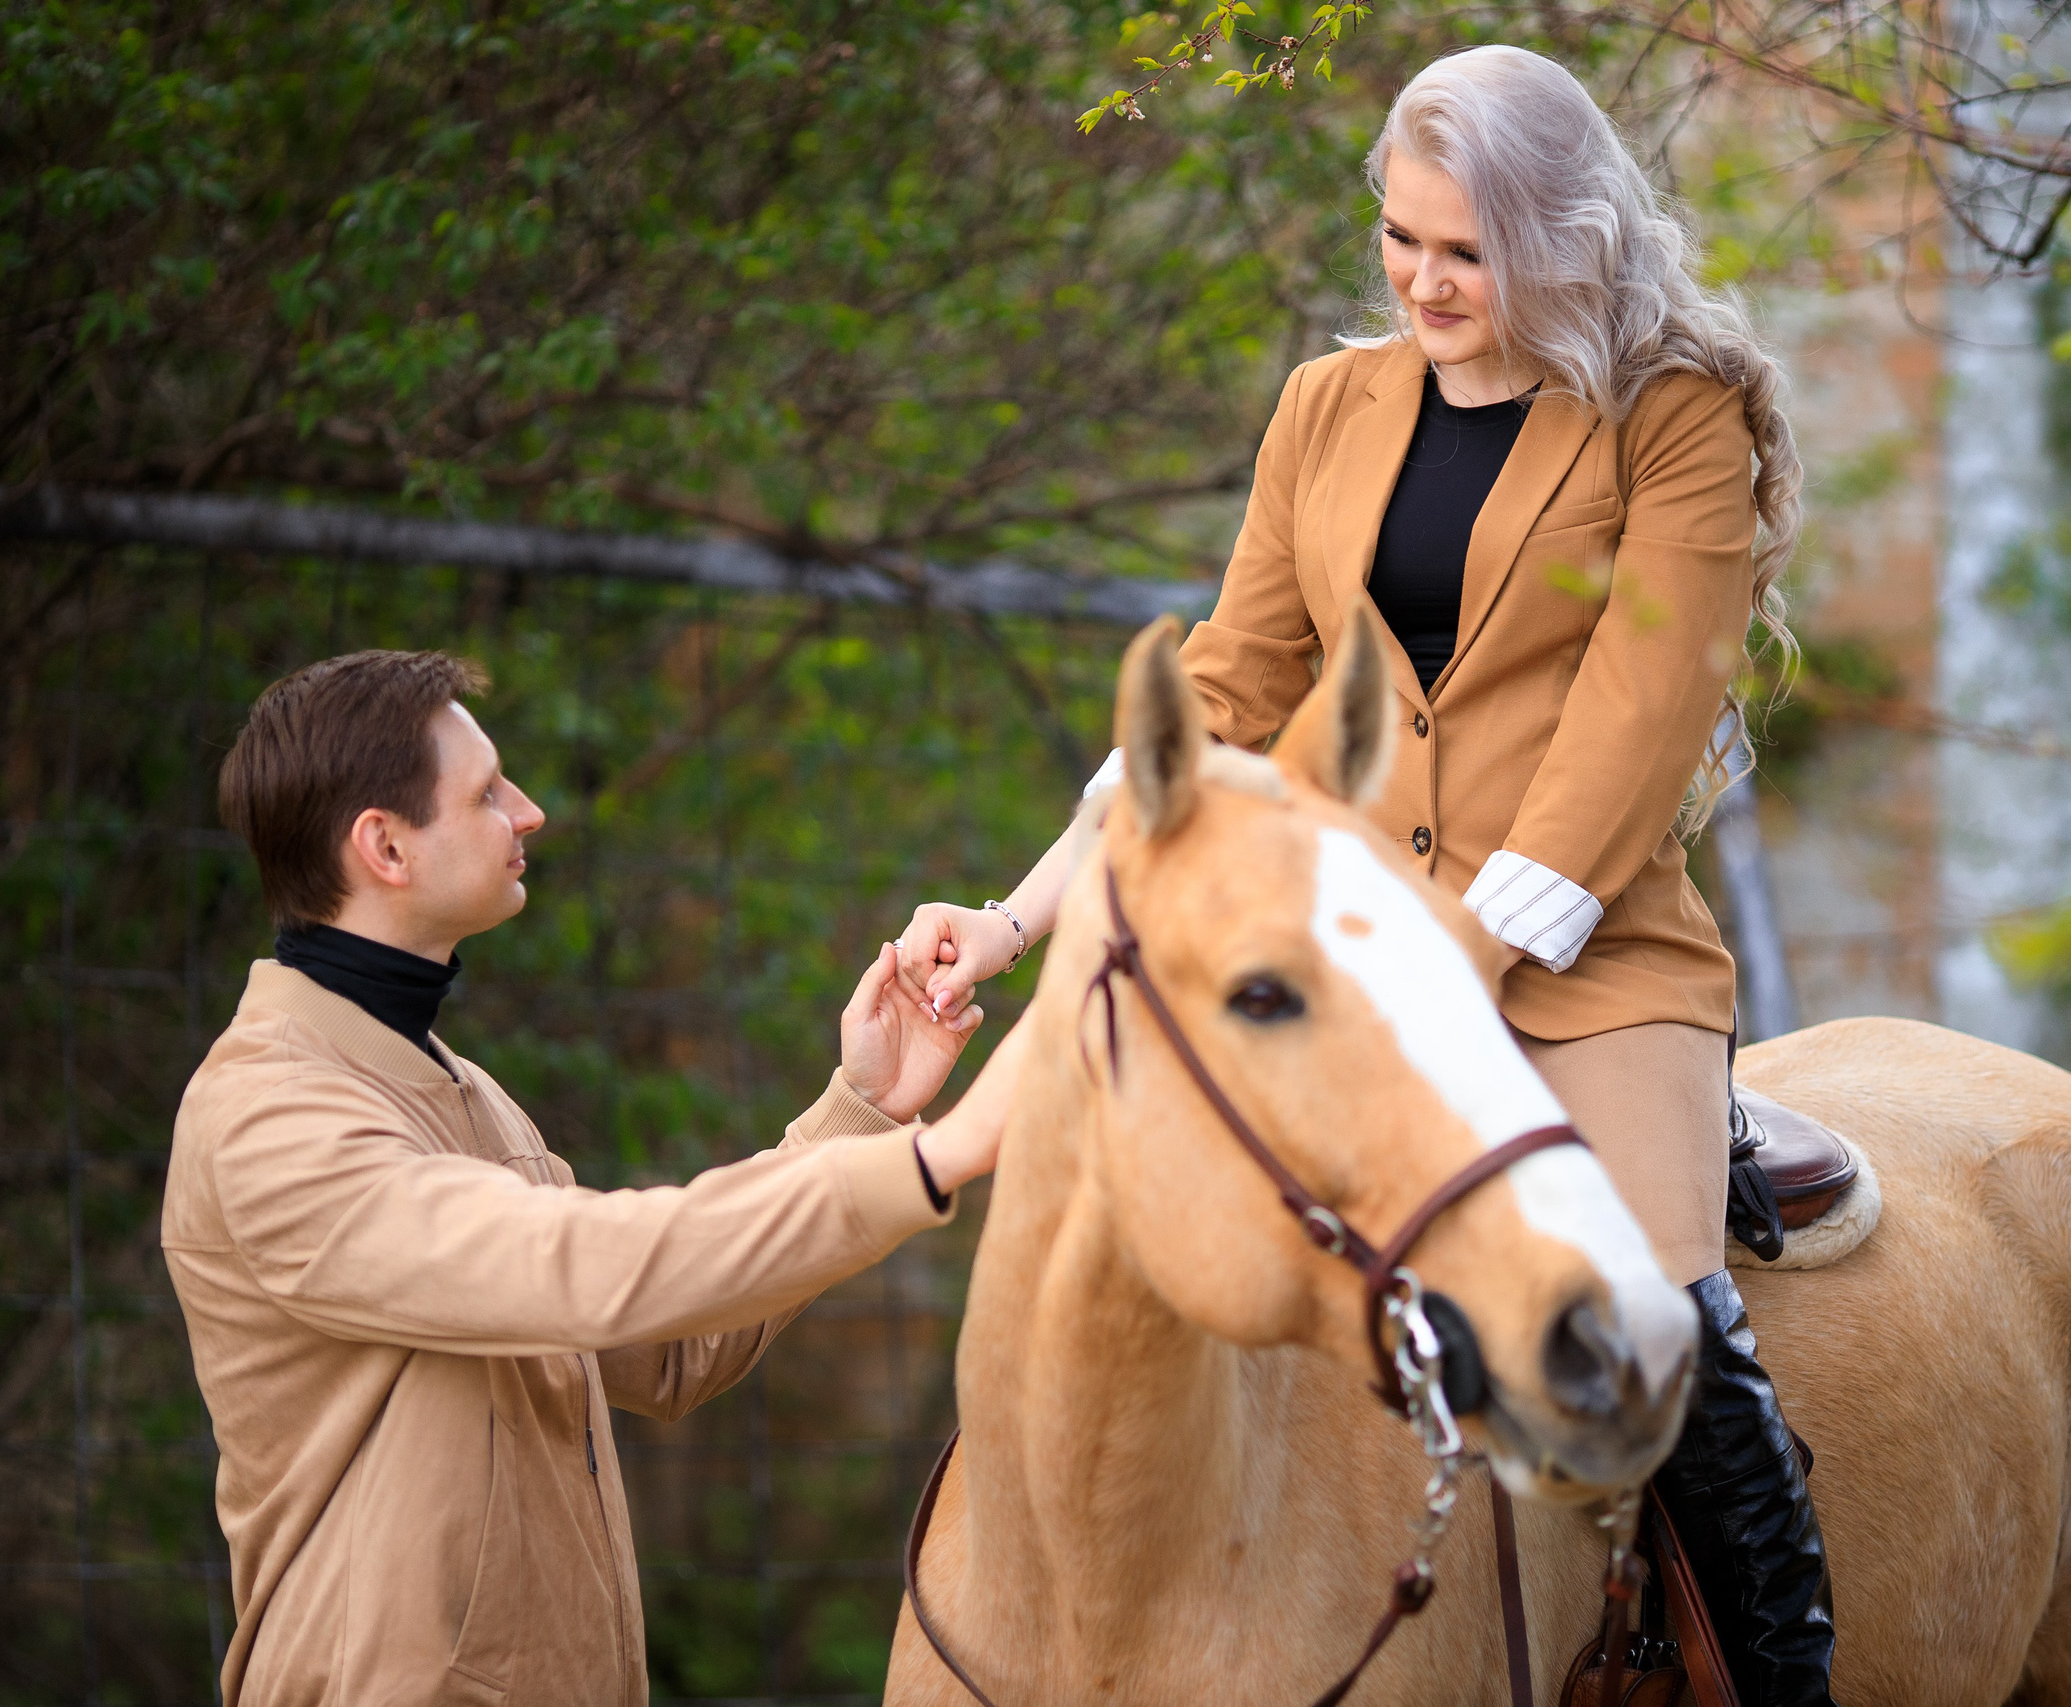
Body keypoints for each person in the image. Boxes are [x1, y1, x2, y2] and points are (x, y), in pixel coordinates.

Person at [895, 46, 1834, 1707]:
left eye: (1464, 251)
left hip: (1589, 961)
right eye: (1401, 238)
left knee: (1673, 1322)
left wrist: (1446, 968)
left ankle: (1776, 1677)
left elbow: (1631, 732)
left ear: (1564, 238)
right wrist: (1022, 910)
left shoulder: (1675, 423)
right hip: (1356, 964)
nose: (1420, 279)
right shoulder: (1330, 407)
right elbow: (1223, 687)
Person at [169, 649, 1023, 1707]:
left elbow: (666, 1349)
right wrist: (931, 1160)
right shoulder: (267, 1118)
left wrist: (861, 1111)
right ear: (384, 845)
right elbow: (580, 1265)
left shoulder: (464, 1093)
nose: (527, 813)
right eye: (485, 793)